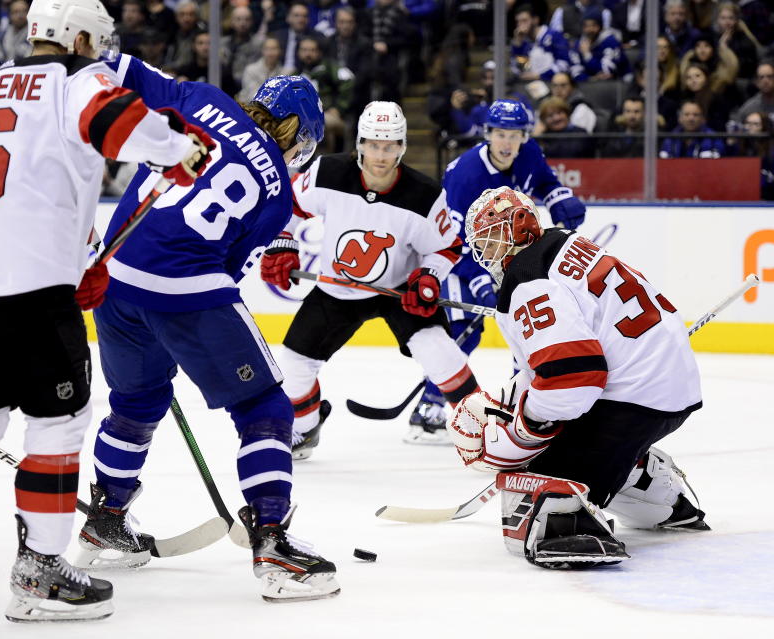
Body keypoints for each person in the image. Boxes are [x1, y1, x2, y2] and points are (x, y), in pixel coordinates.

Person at [0, 0, 212, 629]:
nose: (101, 50)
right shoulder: (77, 78)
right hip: (29, 289)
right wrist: (177, 148)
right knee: (60, 425)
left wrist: (73, 253)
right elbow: (114, 121)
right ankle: (41, 570)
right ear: (80, 36)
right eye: (98, 40)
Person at [74, 60, 337, 602]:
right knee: (265, 408)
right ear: (301, 137)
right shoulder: (279, 193)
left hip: (114, 277)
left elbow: (116, 67)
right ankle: (272, 541)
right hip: (185, 287)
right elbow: (227, 268)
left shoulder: (204, 100)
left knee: (135, 404)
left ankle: (105, 517)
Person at [448, 186, 706, 569]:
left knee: (543, 492)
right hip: (663, 387)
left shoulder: (528, 278)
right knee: (564, 437)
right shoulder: (563, 244)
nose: (485, 254)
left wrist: (523, 428)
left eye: (489, 241)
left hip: (633, 399)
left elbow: (574, 379)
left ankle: (600, 501)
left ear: (515, 230)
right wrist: (516, 397)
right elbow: (565, 362)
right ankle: (655, 487)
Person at [261, 101, 478, 450]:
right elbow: (288, 206)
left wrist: (428, 277)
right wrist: (282, 242)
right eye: (374, 144)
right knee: (293, 370)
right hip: (338, 291)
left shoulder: (425, 195)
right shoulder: (326, 173)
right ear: (360, 143)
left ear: (402, 147)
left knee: (440, 353)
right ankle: (306, 426)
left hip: (398, 291)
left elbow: (446, 246)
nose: (381, 154)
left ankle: (485, 431)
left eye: (390, 145)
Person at [410, 99, 586, 431]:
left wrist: (560, 197)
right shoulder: (465, 175)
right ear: (488, 134)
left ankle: (524, 404)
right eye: (500, 134)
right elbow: (453, 239)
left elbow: (545, 182)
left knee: (529, 328)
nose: (507, 142)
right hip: (459, 257)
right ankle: (428, 407)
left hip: (514, 255)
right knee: (465, 331)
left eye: (515, 134)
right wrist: (479, 281)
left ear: (525, 136)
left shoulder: (529, 151)